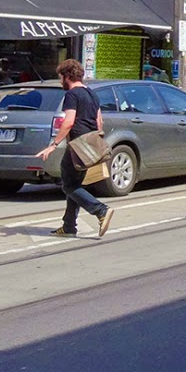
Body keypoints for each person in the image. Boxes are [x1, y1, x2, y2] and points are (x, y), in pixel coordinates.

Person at [36, 59, 113, 238]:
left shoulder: (71, 95)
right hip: (90, 143)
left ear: (67, 76)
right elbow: (99, 121)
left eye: (60, 77)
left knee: (69, 186)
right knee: (74, 185)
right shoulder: (92, 94)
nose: (59, 81)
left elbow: (69, 121)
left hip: (77, 145)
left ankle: (100, 210)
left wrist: (54, 144)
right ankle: (69, 226)